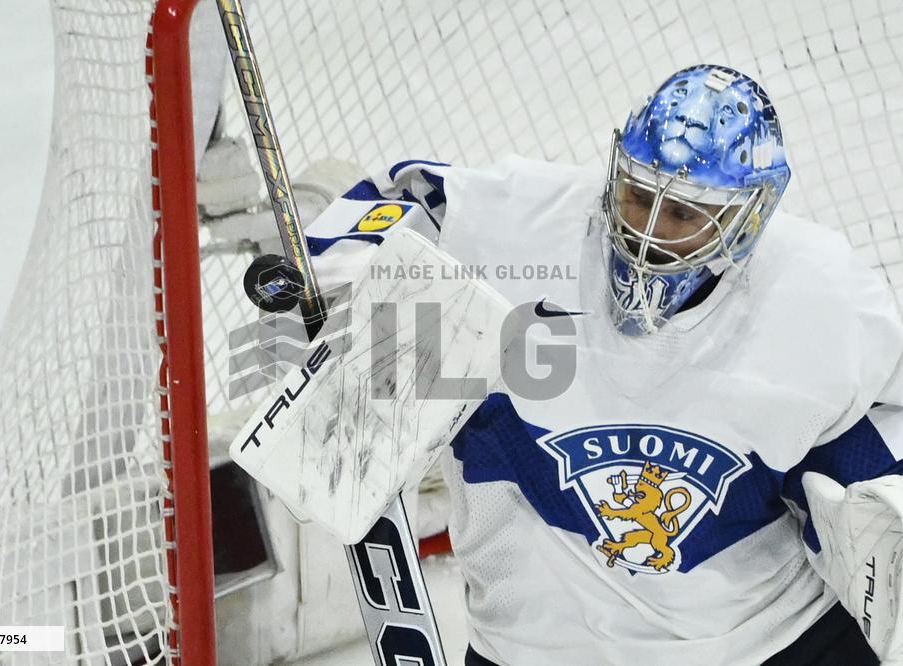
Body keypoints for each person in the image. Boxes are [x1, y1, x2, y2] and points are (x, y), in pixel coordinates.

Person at [283, 63, 903, 664]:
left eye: (684, 213)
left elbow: (880, 428)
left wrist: (879, 497)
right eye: (638, 195)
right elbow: (402, 200)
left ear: (748, 219)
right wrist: (337, 282)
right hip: (533, 645)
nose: (649, 230)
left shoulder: (823, 299)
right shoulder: (517, 226)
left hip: (765, 640)